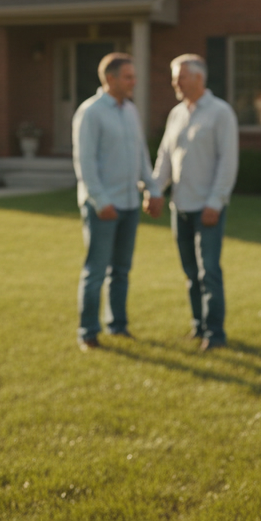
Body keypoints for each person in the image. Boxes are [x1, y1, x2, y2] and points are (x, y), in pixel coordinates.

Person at [72, 52, 161, 351]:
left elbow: (141, 155)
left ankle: (118, 326)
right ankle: (88, 332)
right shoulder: (91, 112)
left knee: (121, 270)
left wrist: (152, 188)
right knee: (96, 271)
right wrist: (100, 200)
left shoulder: (130, 111)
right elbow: (85, 163)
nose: (134, 81)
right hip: (103, 206)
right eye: (128, 77)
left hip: (129, 203)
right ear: (110, 79)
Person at [149, 54, 239, 351]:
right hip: (181, 207)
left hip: (208, 207)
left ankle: (215, 334)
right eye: (175, 77)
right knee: (190, 273)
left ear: (199, 78)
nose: (175, 82)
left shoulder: (220, 113)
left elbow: (228, 162)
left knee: (209, 271)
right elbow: (164, 156)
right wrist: (155, 190)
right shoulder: (176, 113)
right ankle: (198, 327)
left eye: (180, 77)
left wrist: (216, 202)